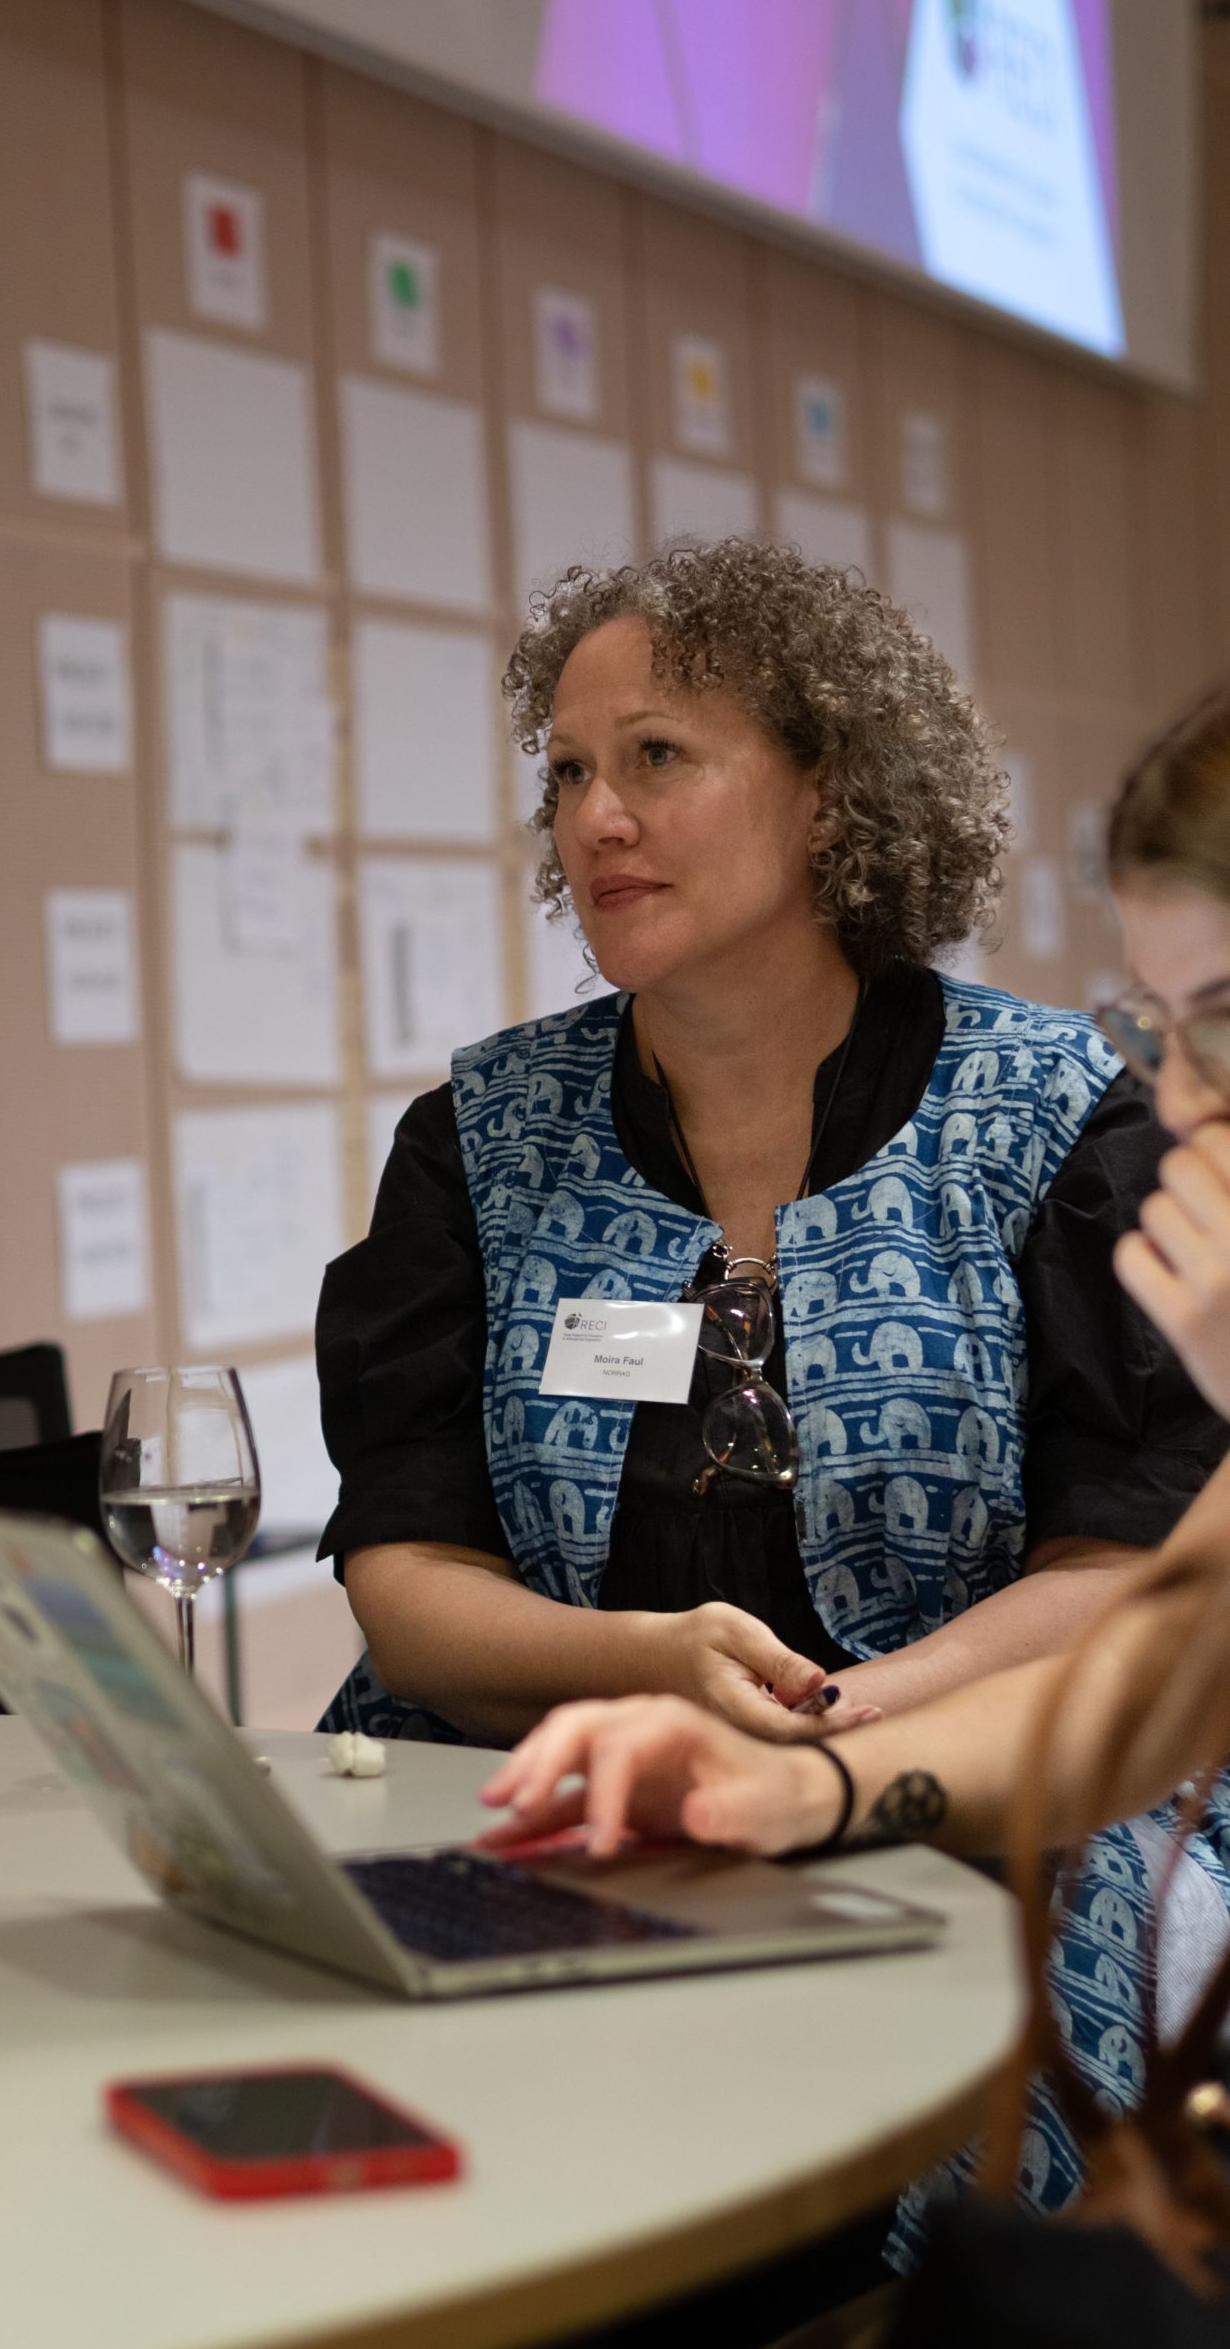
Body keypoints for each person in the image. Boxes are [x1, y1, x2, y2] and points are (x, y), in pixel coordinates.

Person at [319, 543, 1220, 1759]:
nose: (596, 818)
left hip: (978, 1790)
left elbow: (1129, 1565)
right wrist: (650, 1669)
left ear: (829, 795)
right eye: (570, 771)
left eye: (656, 754)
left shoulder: (1060, 1117)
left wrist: (824, 1737)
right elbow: (409, 1577)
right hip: (539, 1775)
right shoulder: (482, 1139)